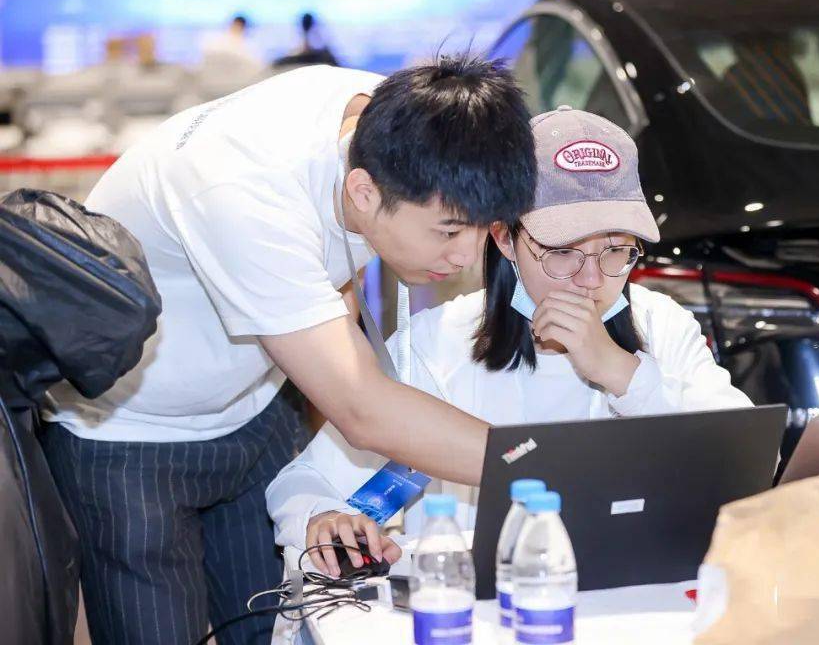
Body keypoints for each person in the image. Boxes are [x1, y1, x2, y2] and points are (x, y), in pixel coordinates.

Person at [41, 56, 537, 644]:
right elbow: (363, 408)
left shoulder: (391, 123)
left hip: (256, 405)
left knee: (281, 628)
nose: (466, 256)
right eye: (449, 231)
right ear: (363, 190)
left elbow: (337, 293)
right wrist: (539, 467)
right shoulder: (240, 191)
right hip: (127, 436)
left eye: (484, 229)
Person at [266, 107, 754, 577]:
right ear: (504, 238)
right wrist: (322, 516)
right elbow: (304, 481)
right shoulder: (439, 344)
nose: (590, 279)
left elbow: (747, 466)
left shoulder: (662, 325)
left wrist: (621, 372)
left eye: (616, 250)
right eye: (562, 252)